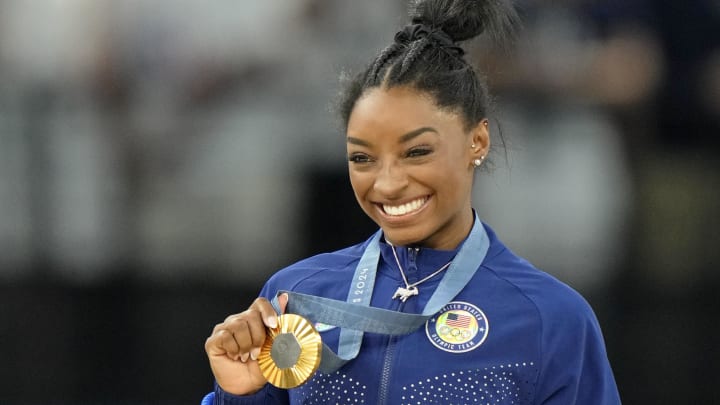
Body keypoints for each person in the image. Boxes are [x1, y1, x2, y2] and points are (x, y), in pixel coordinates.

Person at [202, 0, 621, 403]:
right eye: (362, 158)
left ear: (477, 141)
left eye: (416, 152)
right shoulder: (294, 297)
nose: (387, 184)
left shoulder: (552, 318)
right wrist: (240, 394)